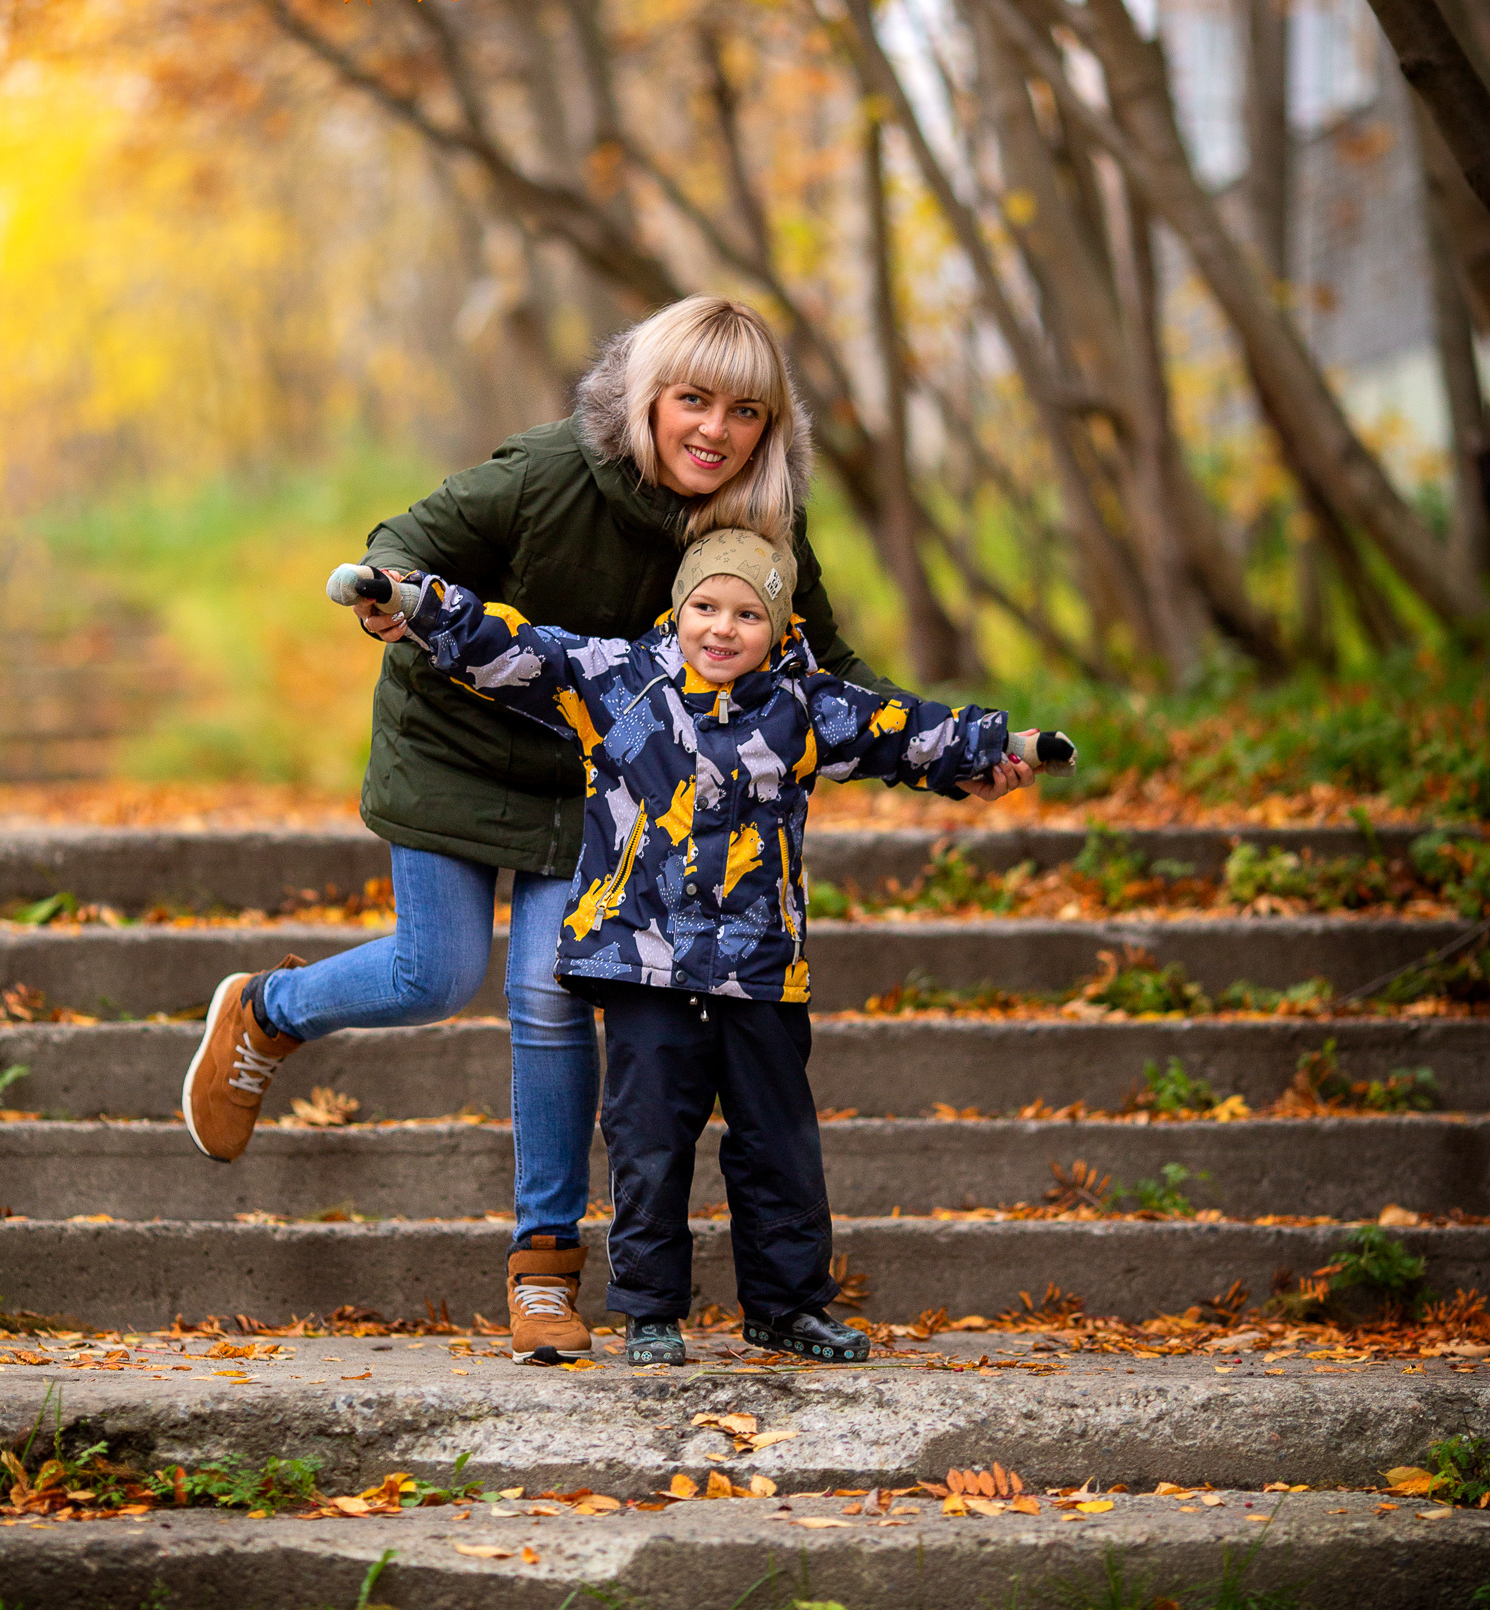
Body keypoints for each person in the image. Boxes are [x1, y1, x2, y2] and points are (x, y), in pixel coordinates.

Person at [178, 294, 1034, 1358]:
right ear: (646, 398)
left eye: (744, 412)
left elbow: (829, 679)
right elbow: (410, 539)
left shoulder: (760, 527)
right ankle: (270, 1009)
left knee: (548, 990)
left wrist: (953, 759)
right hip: (456, 739)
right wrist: (388, 590)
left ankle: (543, 1266)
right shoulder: (547, 471)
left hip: (600, 779)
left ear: (772, 426)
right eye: (691, 401)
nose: (714, 432)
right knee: (434, 975)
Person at [324, 527, 1020, 1366]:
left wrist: (996, 748)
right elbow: (513, 646)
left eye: (747, 615)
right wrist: (412, 604)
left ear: (778, 625)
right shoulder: (617, 680)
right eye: (705, 608)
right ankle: (650, 1309)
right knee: (648, 1140)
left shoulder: (804, 704)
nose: (722, 629)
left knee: (780, 1143)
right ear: (679, 608)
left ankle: (787, 1306)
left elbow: (903, 730)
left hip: (760, 969)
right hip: (645, 963)